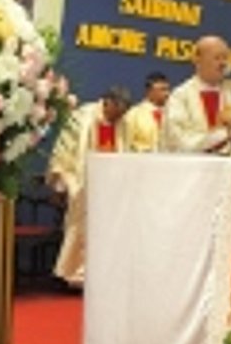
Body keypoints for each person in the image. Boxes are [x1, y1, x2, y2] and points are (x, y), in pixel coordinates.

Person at [46, 86, 130, 287]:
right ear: (108, 103)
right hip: (84, 180)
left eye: (122, 113)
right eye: (117, 112)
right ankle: (76, 275)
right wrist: (61, 180)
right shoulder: (83, 117)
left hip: (112, 183)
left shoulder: (123, 123)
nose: (118, 118)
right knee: (81, 226)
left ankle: (106, 272)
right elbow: (65, 148)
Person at [164, 35, 231, 153]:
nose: (223, 64)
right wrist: (221, 135)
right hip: (192, 163)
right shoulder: (181, 96)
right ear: (198, 60)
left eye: (225, 58)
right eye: (217, 58)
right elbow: (177, 140)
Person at [122, 71, 172, 153]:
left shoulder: (173, 114)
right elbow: (126, 145)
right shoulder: (134, 115)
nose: (167, 94)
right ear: (149, 91)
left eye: (168, 89)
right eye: (162, 90)